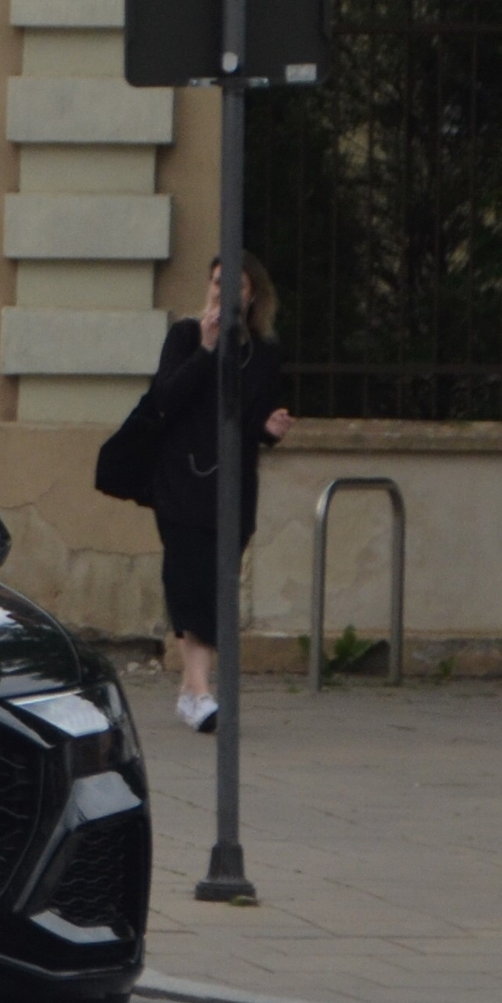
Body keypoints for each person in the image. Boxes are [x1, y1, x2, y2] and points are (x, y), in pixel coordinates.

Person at [146, 251, 295, 733]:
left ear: (253, 296)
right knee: (190, 583)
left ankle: (193, 691)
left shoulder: (264, 353)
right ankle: (200, 690)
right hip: (182, 482)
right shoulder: (186, 336)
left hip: (232, 487)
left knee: (217, 586)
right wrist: (207, 350)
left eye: (235, 287)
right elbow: (166, 400)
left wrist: (270, 427)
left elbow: (248, 420)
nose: (222, 293)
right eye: (216, 283)